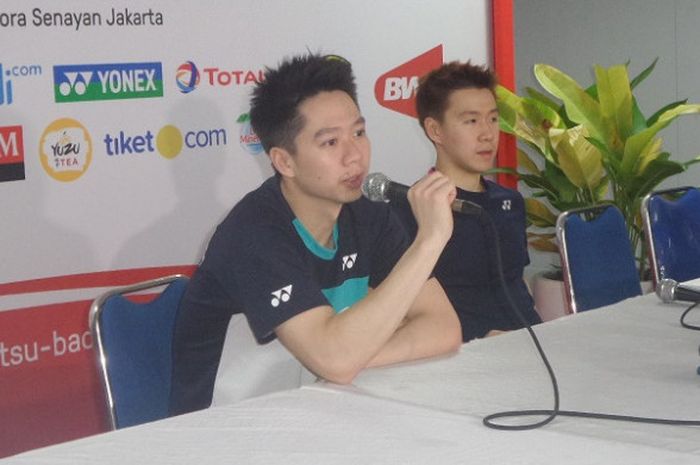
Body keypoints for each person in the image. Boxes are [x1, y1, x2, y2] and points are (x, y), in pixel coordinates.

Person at [169, 53, 461, 415]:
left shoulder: (368, 213)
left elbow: (443, 327)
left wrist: (357, 355)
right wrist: (429, 242)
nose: (354, 155)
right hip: (225, 426)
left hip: (314, 410)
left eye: (358, 132)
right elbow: (336, 360)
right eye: (330, 143)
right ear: (284, 162)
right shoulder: (252, 234)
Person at [390, 61, 542, 342]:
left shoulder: (509, 201)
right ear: (435, 131)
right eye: (471, 121)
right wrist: (477, 337)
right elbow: (398, 309)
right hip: (460, 356)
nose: (487, 134)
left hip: (532, 344)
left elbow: (516, 283)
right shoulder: (409, 210)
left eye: (493, 119)